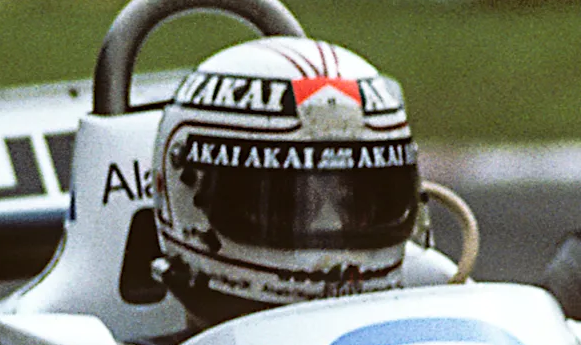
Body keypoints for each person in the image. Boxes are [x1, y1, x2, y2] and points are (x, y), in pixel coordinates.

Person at [149, 34, 422, 325]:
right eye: (285, 204)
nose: (334, 250)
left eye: (358, 206)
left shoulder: (440, 292)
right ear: (186, 198)